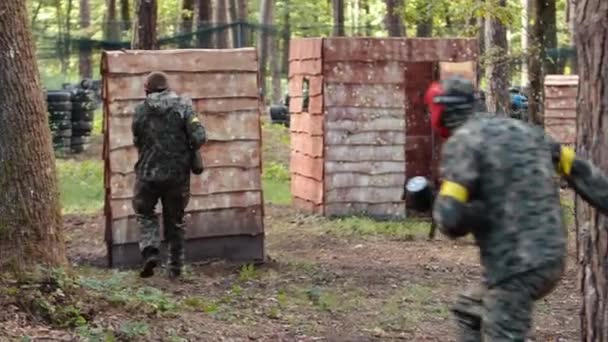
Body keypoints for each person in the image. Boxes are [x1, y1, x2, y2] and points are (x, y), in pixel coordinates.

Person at [421, 76, 608, 341]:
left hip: (515, 267)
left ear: (442, 109)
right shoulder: (525, 131)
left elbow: (451, 221)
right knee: (469, 309)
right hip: (551, 259)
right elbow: (580, 172)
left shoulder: (463, 142)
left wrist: (435, 204)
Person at [131, 71, 207, 279]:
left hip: (147, 174)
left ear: (147, 88)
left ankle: (150, 250)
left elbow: (136, 139)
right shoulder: (183, 107)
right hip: (177, 176)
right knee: (175, 220)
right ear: (167, 87)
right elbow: (200, 136)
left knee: (145, 212)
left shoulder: (140, 110)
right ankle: (176, 268)